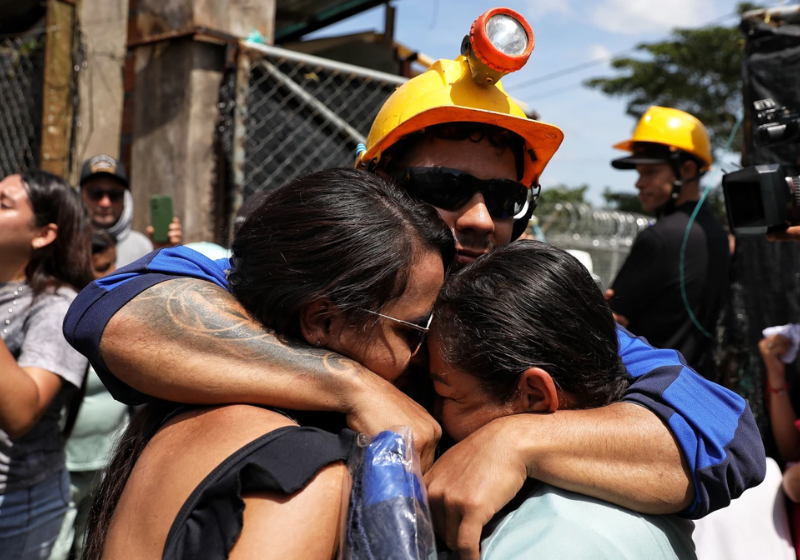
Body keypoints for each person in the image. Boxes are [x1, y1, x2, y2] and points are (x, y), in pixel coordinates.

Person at [64, 20, 764, 560]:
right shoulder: (299, 276)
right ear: (376, 188)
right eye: (445, 188)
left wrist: (517, 442)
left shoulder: (521, 321)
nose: (481, 220)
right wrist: (351, 386)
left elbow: (723, 435)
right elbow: (120, 312)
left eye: (506, 197)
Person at [82, 168, 454, 559]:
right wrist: (355, 386)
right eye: (414, 330)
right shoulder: (304, 479)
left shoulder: (185, 410)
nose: (427, 353)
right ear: (322, 320)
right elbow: (98, 313)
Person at [429, 240, 696, 559]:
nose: (432, 413)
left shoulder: (547, 542)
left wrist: (512, 441)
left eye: (446, 394)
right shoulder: (639, 494)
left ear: (534, 396)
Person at [0, 171, 93, 559]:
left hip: (16, 507)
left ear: (43, 235)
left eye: (3, 204)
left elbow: (21, 414)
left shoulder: (55, 307)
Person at [607, 107, 731, 378]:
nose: (639, 183)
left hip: (651, 389)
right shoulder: (717, 234)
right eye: (638, 172)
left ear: (686, 169)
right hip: (700, 384)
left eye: (650, 172)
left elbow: (612, 322)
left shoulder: (661, 237)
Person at [48, 230, 129, 560]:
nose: (111, 275)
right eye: (100, 268)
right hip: (62, 464)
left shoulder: (126, 313)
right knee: (54, 548)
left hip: (107, 461)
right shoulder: (57, 316)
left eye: (113, 264)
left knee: (90, 546)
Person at [79, 154, 182, 268]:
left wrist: (164, 256)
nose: (105, 203)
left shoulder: (144, 248)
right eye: (95, 193)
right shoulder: (64, 244)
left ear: (126, 198)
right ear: (79, 195)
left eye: (115, 195)